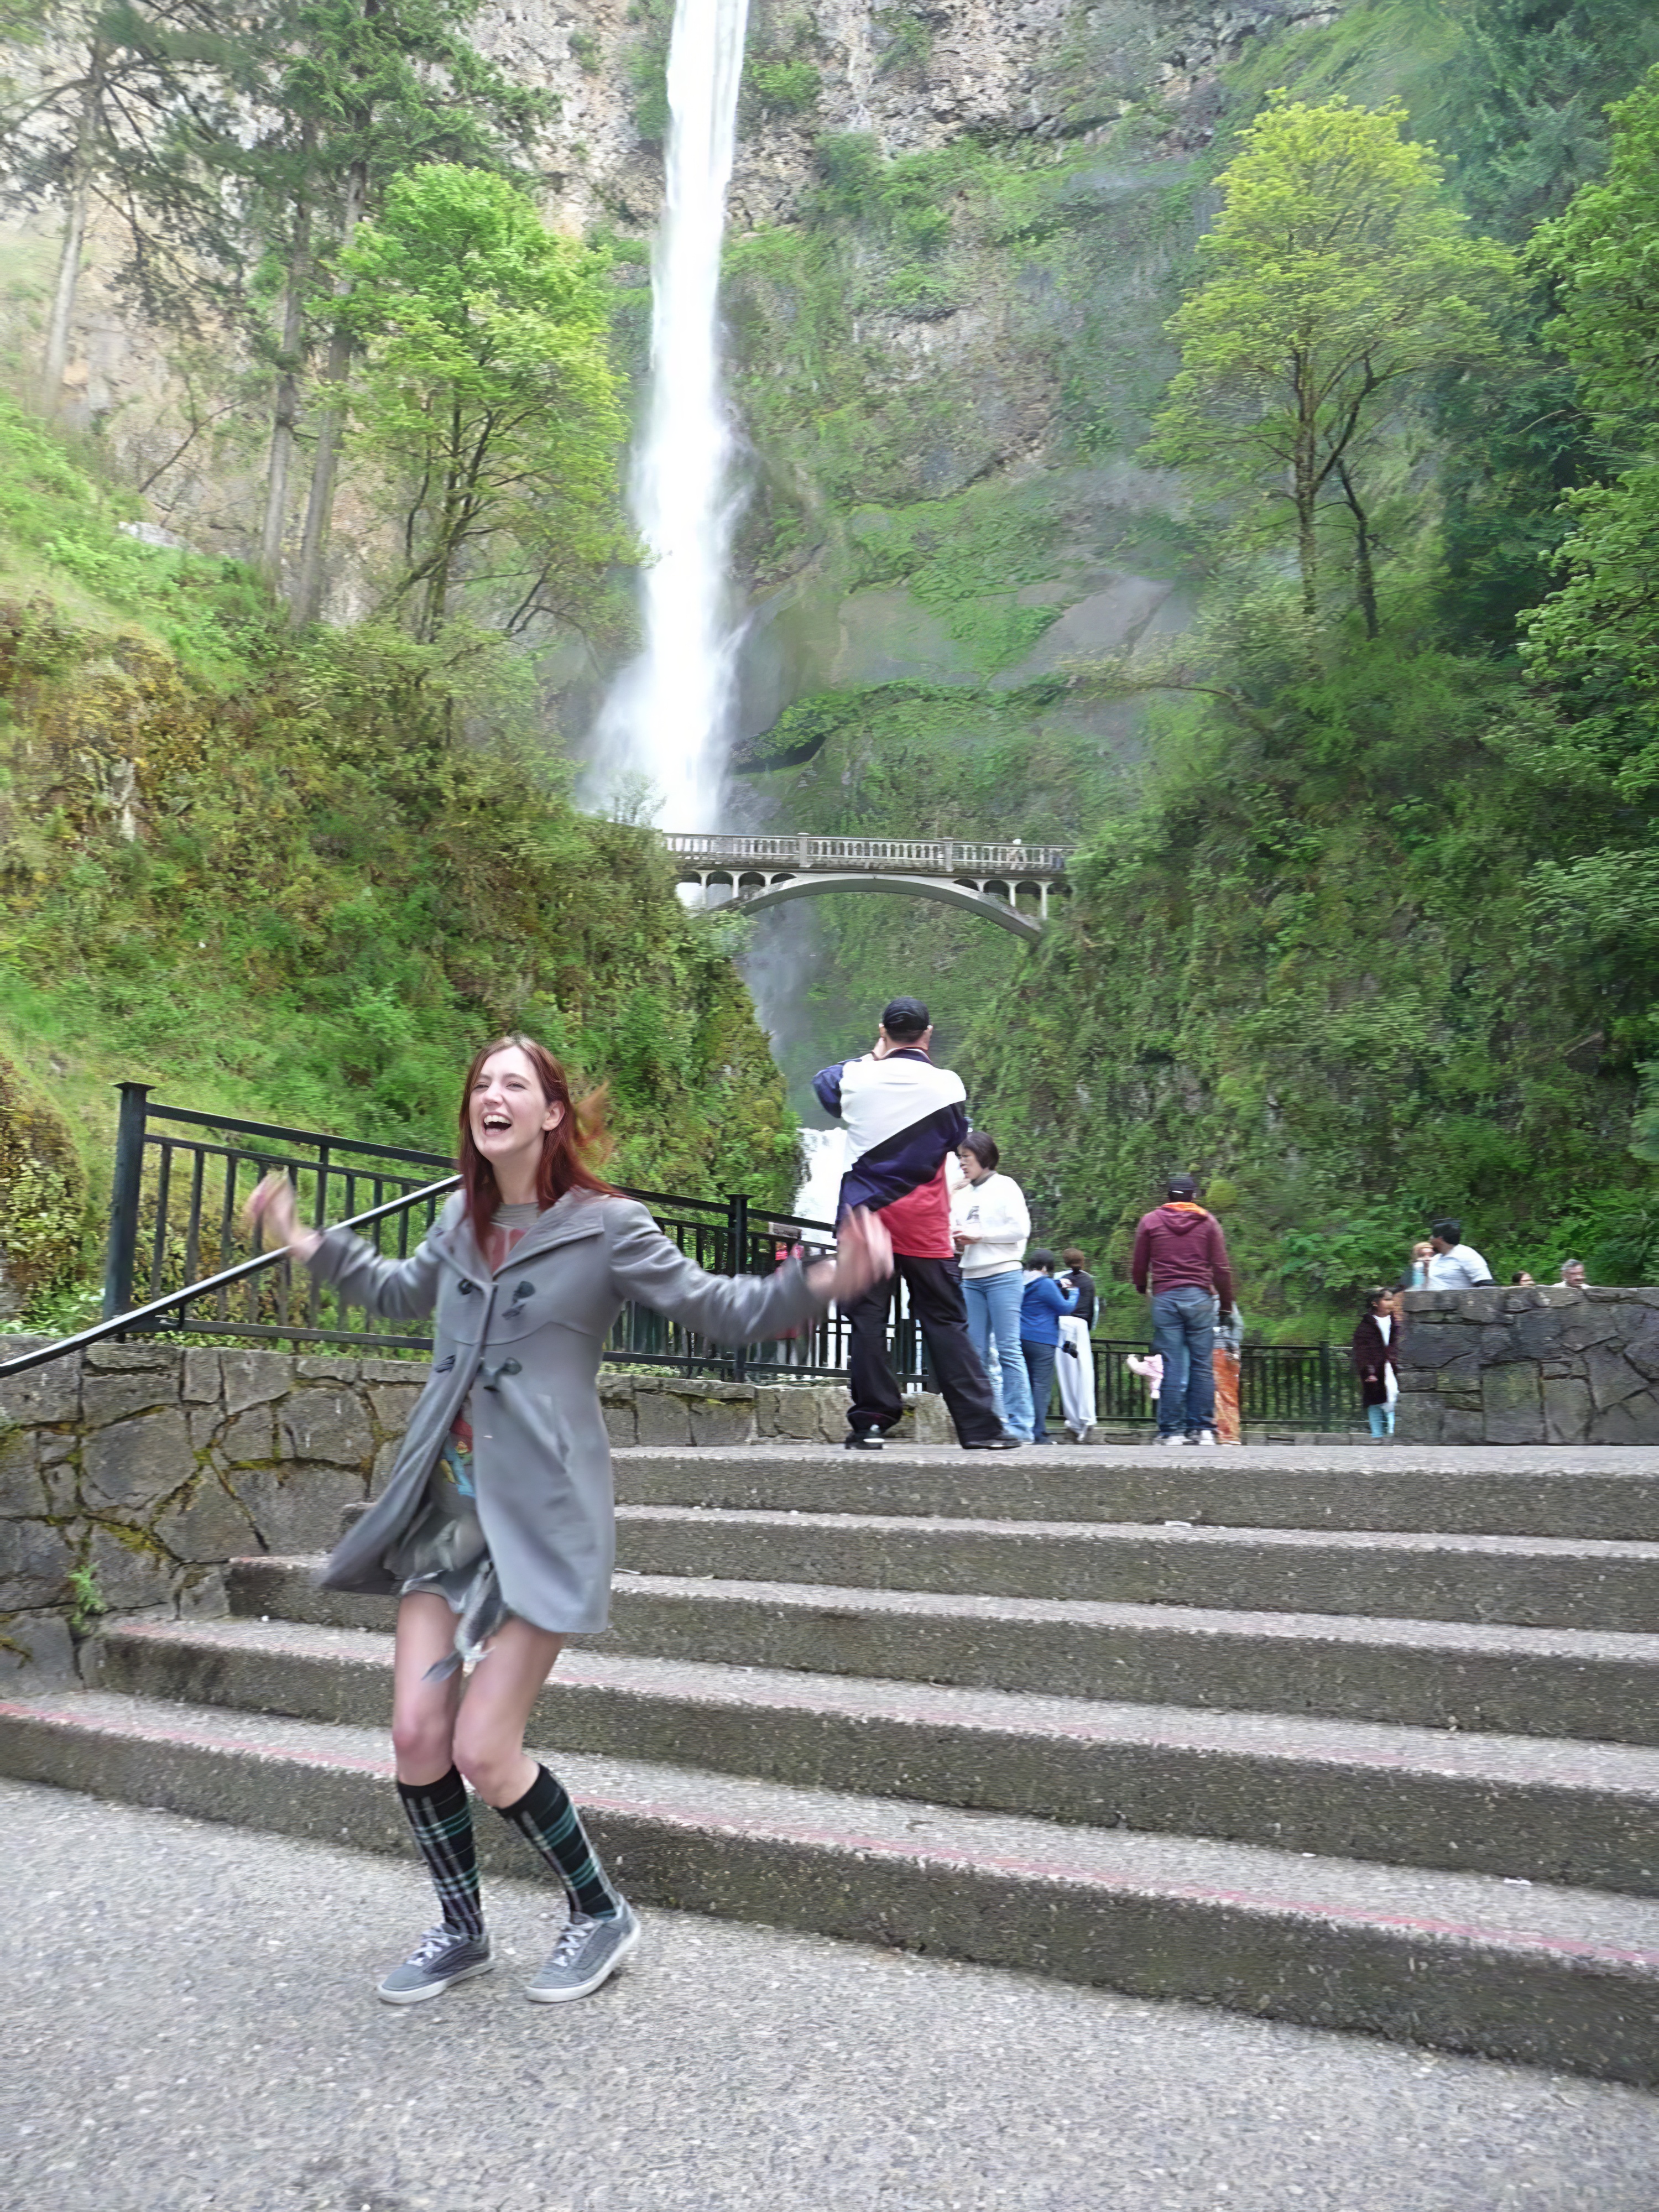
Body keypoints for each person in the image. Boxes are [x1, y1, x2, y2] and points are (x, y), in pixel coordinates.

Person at [246, 1034, 892, 2008]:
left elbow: (712, 1306)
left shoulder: (608, 1226)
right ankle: (461, 1930)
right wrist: (302, 1239)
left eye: (516, 1084)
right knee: (419, 1732)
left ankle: (599, 1911)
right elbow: (392, 1291)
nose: (492, 1095)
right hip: (445, 1520)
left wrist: (824, 1281)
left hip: (543, 1517)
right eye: (481, 1083)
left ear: (552, 1115)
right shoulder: (458, 1228)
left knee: (483, 1750)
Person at [813, 998, 1014, 1452]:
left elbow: (822, 1084)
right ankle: (980, 1428)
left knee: (867, 1320)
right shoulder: (947, 1085)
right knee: (945, 1320)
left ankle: (870, 1423)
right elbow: (952, 1139)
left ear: (883, 1031)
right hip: (923, 1220)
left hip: (865, 1219)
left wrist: (872, 1056)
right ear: (928, 1034)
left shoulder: (854, 1078)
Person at [1130, 1172, 1238, 1447]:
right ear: (1194, 1196)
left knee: (1173, 1363)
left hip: (1166, 1298)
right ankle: (1202, 1429)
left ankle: (1171, 1431)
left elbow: (1140, 1265)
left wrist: (1143, 1288)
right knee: (1202, 1364)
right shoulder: (1208, 1222)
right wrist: (1225, 1304)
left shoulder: (1151, 1221)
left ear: (1168, 1195)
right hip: (1201, 1298)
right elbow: (1222, 1268)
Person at [951, 1131, 1035, 1441]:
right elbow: (959, 1240)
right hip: (971, 1278)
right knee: (976, 1353)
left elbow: (1019, 1229)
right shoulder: (960, 1195)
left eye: (966, 1158)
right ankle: (993, 1422)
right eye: (959, 1158)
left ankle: (1021, 1425)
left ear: (983, 1157)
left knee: (1009, 1350)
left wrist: (980, 1236)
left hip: (1003, 1275)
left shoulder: (1005, 1186)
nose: (961, 1163)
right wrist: (960, 1243)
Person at [1018, 1249, 1078, 1444]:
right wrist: (1074, 1293)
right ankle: (1039, 1434)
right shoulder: (1044, 1283)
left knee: (1023, 1385)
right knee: (1041, 1387)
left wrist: (1057, 1284)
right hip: (1042, 1340)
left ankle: (1021, 1429)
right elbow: (1065, 1308)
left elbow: (1041, 1290)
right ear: (1045, 1268)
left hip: (1020, 1338)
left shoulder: (1021, 1280)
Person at [1056, 1245, 1097, 1441]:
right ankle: (1087, 1420)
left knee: (1067, 1377)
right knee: (1084, 1374)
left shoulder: (1058, 1281)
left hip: (1062, 1326)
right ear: (1082, 1261)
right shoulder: (1088, 1281)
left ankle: (1073, 1422)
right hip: (1080, 1327)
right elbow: (1091, 1309)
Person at [1351, 1287, 1399, 1439]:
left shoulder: (1396, 1322)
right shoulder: (1365, 1326)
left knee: (1394, 1399)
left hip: (1393, 1368)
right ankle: (1377, 1435)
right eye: (1387, 1299)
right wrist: (1369, 1371)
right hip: (1375, 1369)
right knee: (1375, 1402)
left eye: (1391, 1299)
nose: (1391, 1303)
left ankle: (1392, 1434)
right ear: (1375, 1303)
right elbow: (1362, 1351)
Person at [1425, 1218, 1494, 1290]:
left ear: (1440, 1239)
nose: (1430, 1240)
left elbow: (1485, 1284)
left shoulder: (1465, 1254)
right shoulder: (1436, 1258)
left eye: (1432, 1237)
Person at [1211, 1300, 1243, 1445]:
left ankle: (1227, 1435)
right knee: (1224, 1396)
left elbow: (1237, 1325)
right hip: (1219, 1352)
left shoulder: (1223, 1299)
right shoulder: (1224, 1299)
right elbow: (1238, 1325)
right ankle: (1227, 1435)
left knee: (1224, 1396)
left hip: (1221, 1353)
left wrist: (1234, 1349)